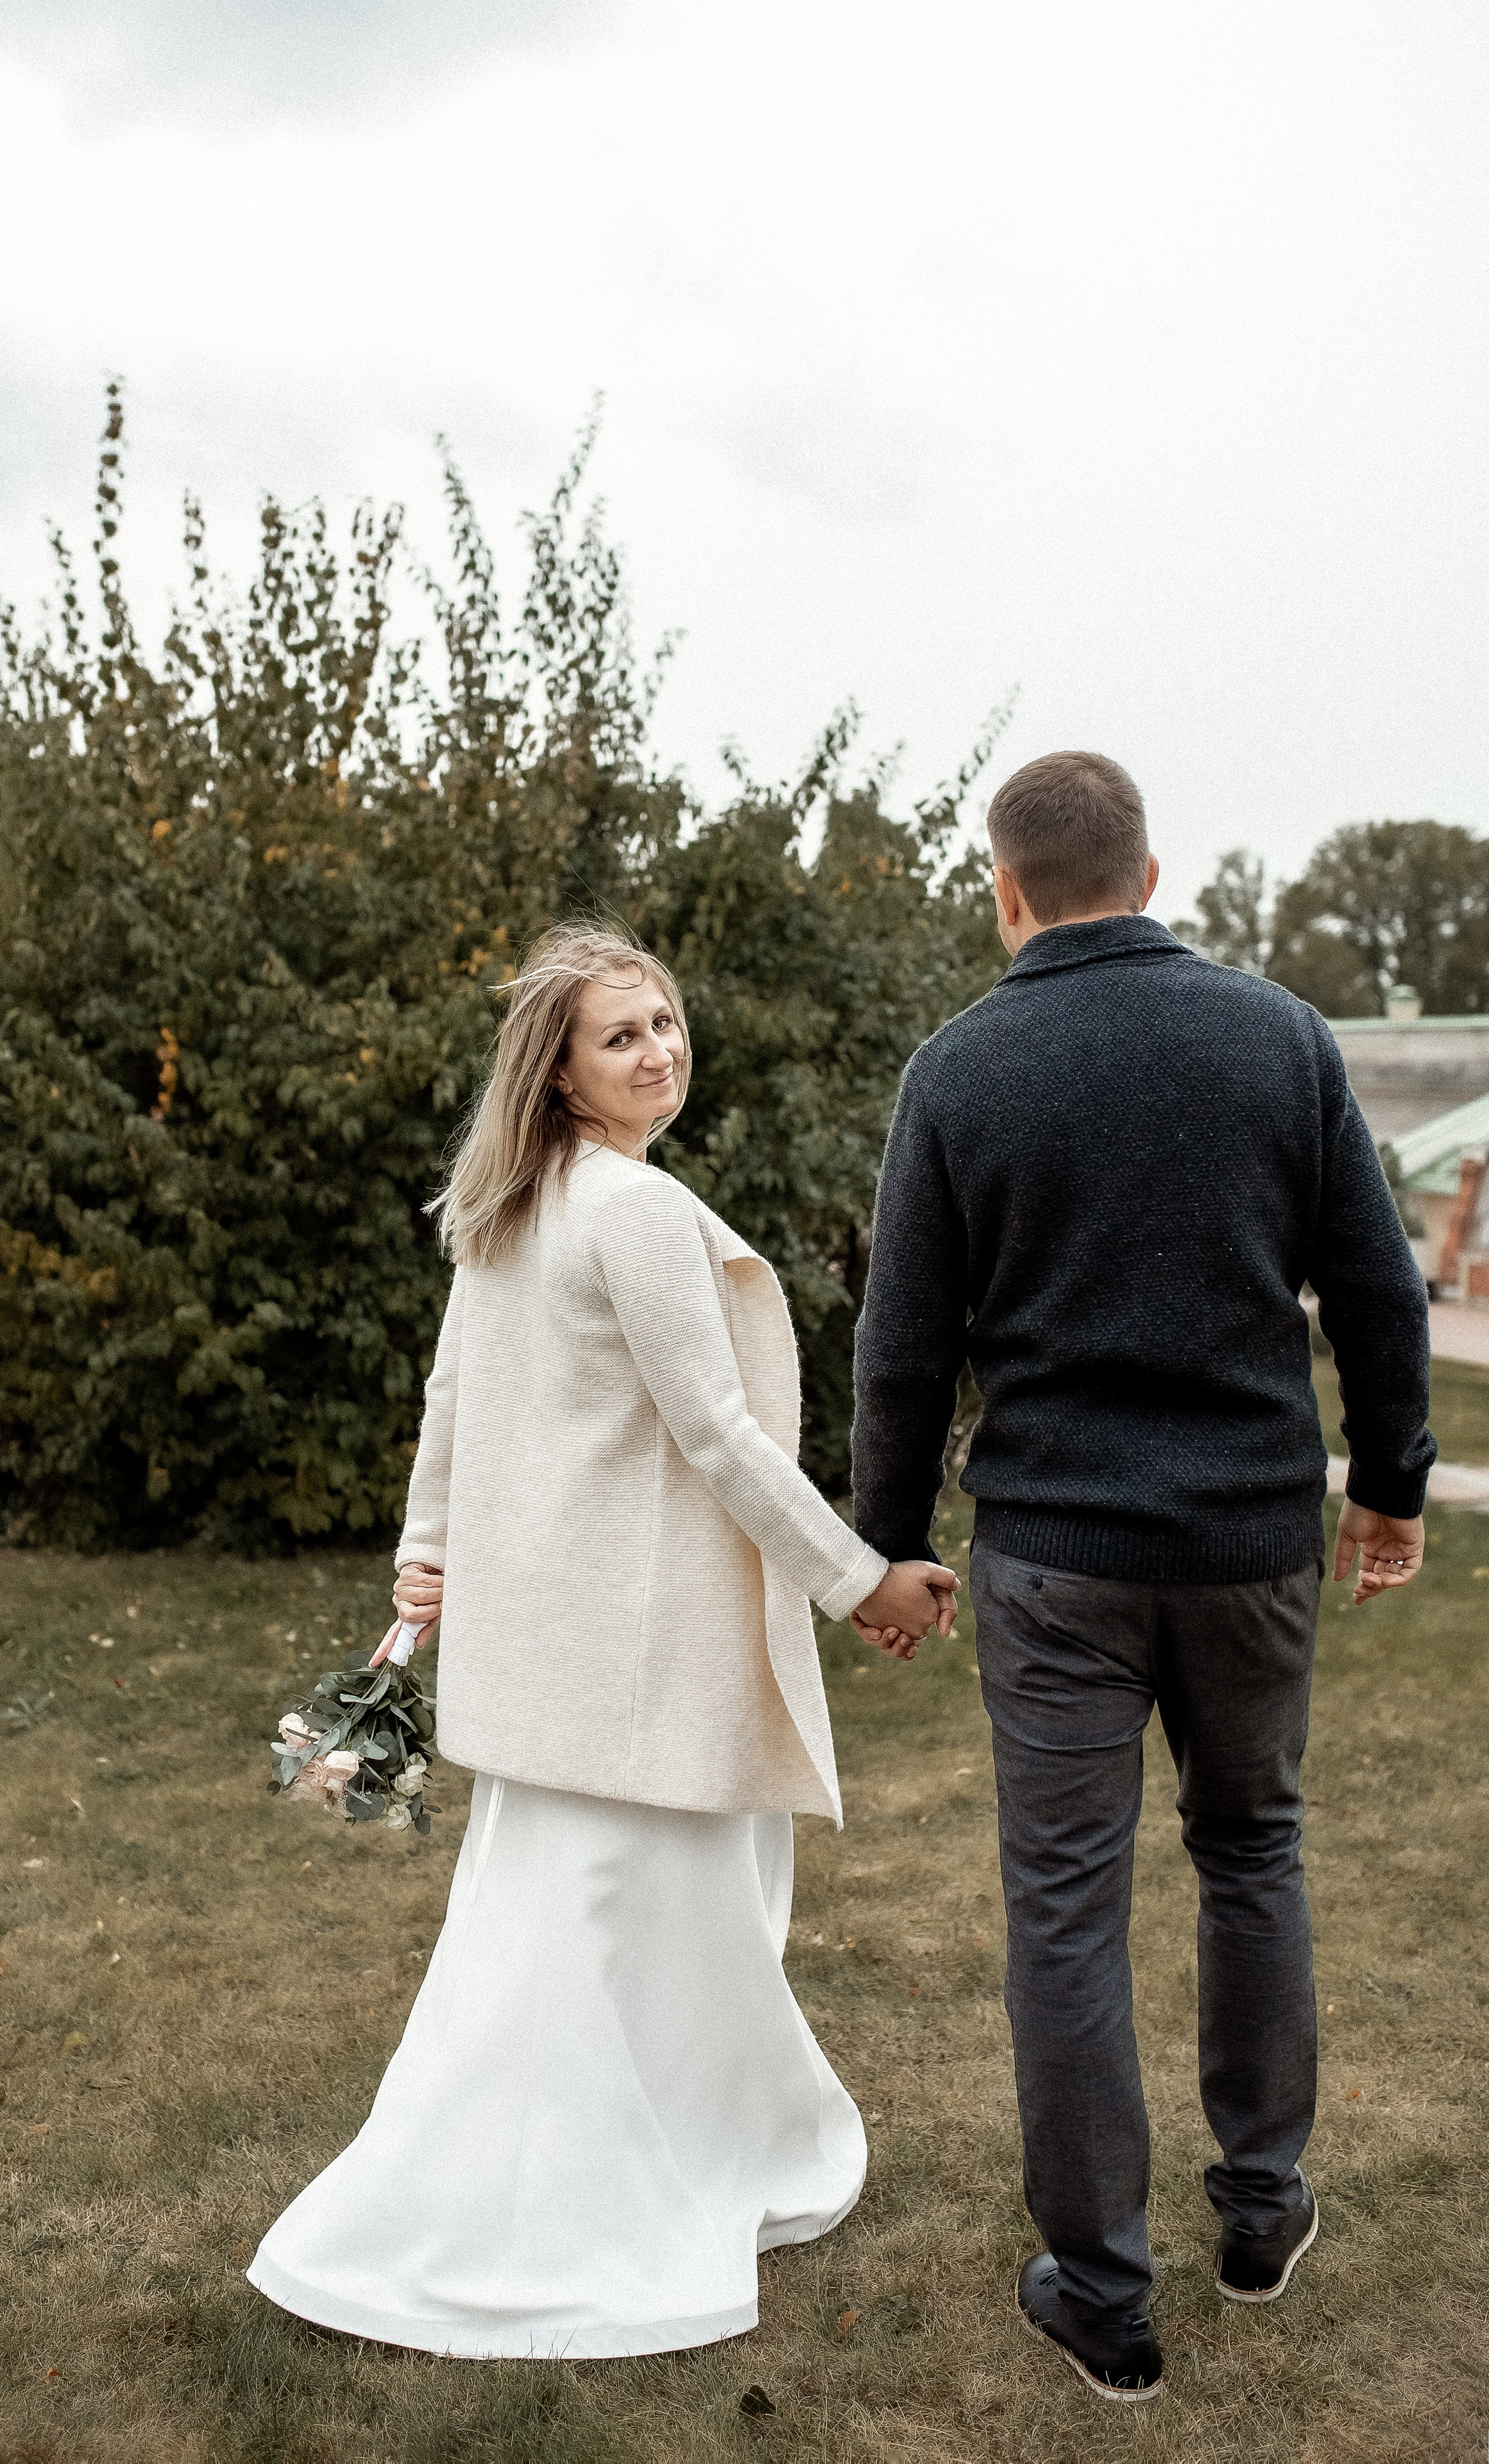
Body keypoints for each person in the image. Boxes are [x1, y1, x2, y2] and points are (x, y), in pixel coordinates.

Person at [248, 921, 957, 2359]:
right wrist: (857, 1579)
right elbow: (715, 1434)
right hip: (631, 1662)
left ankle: (612, 2167)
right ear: (560, 1073)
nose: (659, 1051)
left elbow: (447, 1401)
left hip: (554, 1663)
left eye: (666, 1023)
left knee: (564, 1948)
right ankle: (578, 2214)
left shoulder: (516, 1205)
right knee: (648, 1945)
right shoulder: (620, 1209)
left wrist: (424, 1547)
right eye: (619, 1036)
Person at [849, 751, 1433, 2405]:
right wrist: (1385, 1490)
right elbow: (1378, 1299)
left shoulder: (959, 1068)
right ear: (1153, 874)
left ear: (1003, 889)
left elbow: (901, 1350)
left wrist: (887, 1540)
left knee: (1064, 1908)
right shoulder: (1280, 1037)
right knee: (1252, 1849)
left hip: (1052, 1562)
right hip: (1249, 1544)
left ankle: (1101, 2292)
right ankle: (1259, 2213)